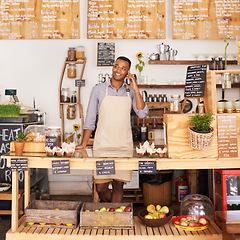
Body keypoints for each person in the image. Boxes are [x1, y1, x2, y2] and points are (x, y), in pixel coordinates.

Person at [76, 56, 148, 202]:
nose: (118, 70)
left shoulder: (130, 92)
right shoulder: (98, 90)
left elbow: (142, 113)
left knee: (118, 186)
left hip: (123, 146)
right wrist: (84, 143)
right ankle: (112, 210)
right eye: (116, 66)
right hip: (103, 145)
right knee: (100, 187)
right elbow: (90, 119)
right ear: (113, 67)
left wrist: (136, 88)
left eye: (123, 68)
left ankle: (115, 218)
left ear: (128, 72)